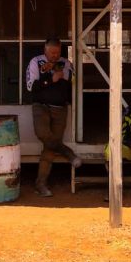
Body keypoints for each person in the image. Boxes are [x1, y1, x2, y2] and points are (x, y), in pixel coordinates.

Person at [26, 37, 80, 196]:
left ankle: (40, 184)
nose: (55, 55)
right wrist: (50, 79)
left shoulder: (66, 63)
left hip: (60, 109)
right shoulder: (35, 62)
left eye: (57, 52)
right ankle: (68, 153)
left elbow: (74, 80)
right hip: (41, 107)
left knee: (49, 148)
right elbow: (31, 87)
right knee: (43, 134)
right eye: (51, 52)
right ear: (45, 49)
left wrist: (60, 73)